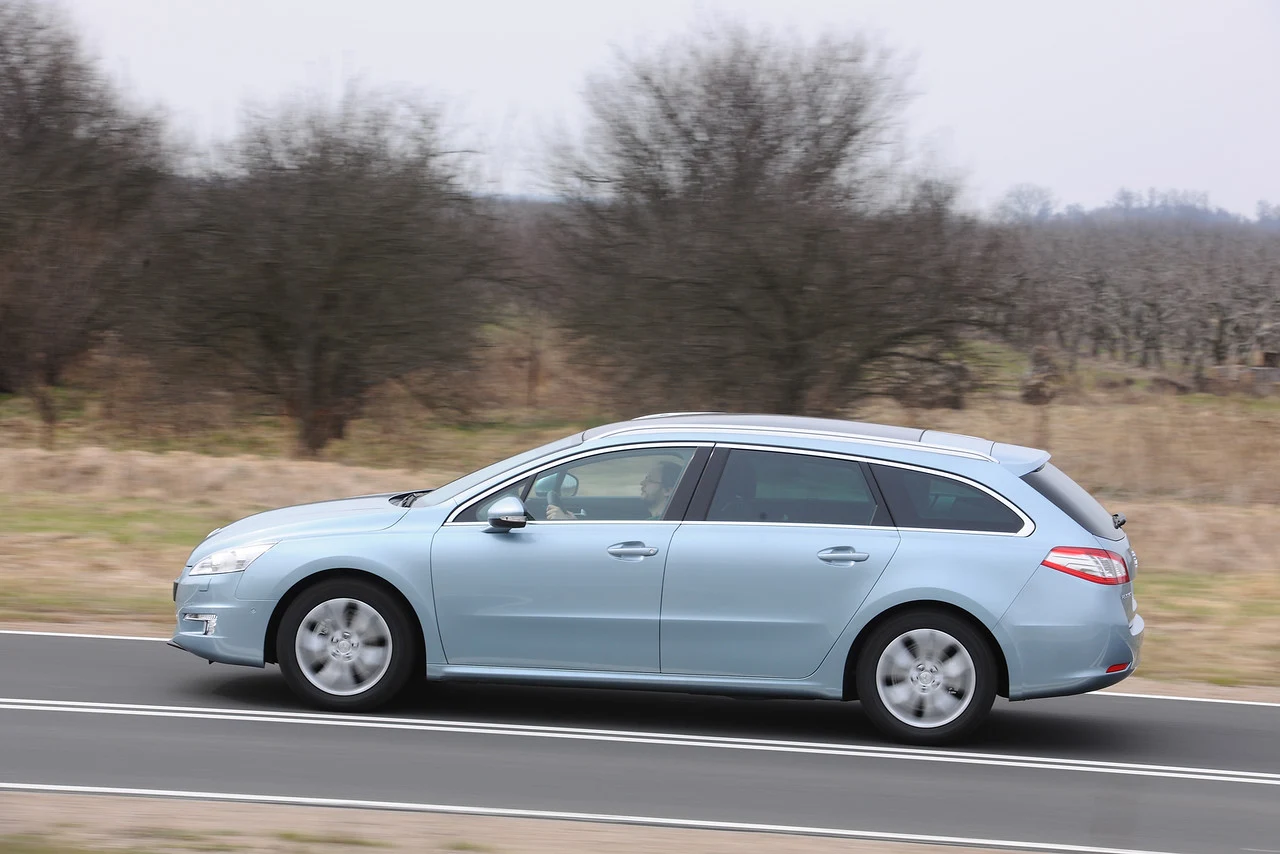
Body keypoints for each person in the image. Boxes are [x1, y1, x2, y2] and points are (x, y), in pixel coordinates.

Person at [545, 459, 682, 520]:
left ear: (668, 490)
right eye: (645, 478)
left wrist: (569, 526)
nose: (642, 483)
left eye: (650, 480)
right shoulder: (659, 520)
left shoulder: (656, 525)